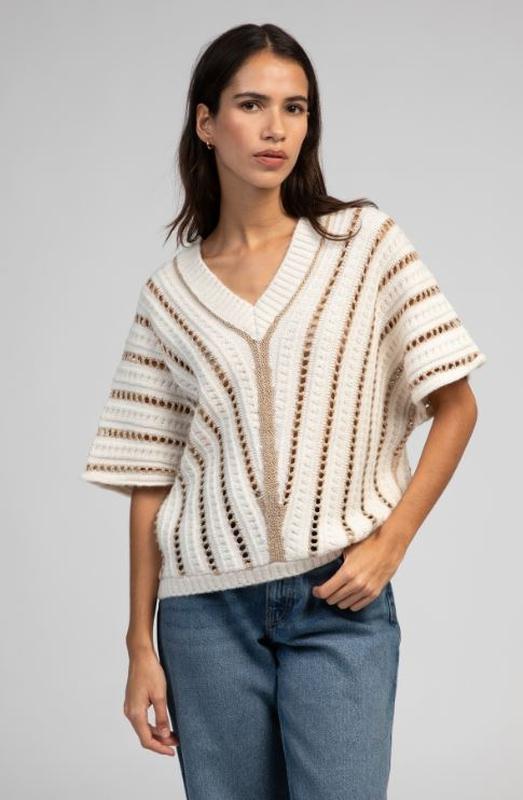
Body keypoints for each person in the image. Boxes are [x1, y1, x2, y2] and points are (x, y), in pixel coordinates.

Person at [81, 22, 487, 800]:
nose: (276, 128)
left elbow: (457, 405)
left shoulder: (363, 245)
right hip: (203, 616)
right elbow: (149, 480)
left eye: (295, 108)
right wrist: (139, 645)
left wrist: (391, 542)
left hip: (338, 600)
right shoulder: (169, 297)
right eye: (252, 105)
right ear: (206, 123)